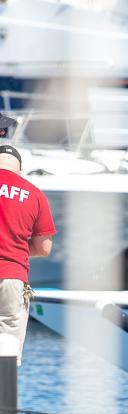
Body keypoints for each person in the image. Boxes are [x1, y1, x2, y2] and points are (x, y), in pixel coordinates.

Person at [0, 144, 54, 361]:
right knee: (7, 347)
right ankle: (5, 394)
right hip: (12, 277)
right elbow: (44, 247)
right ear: (19, 170)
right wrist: (16, 249)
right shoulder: (34, 194)